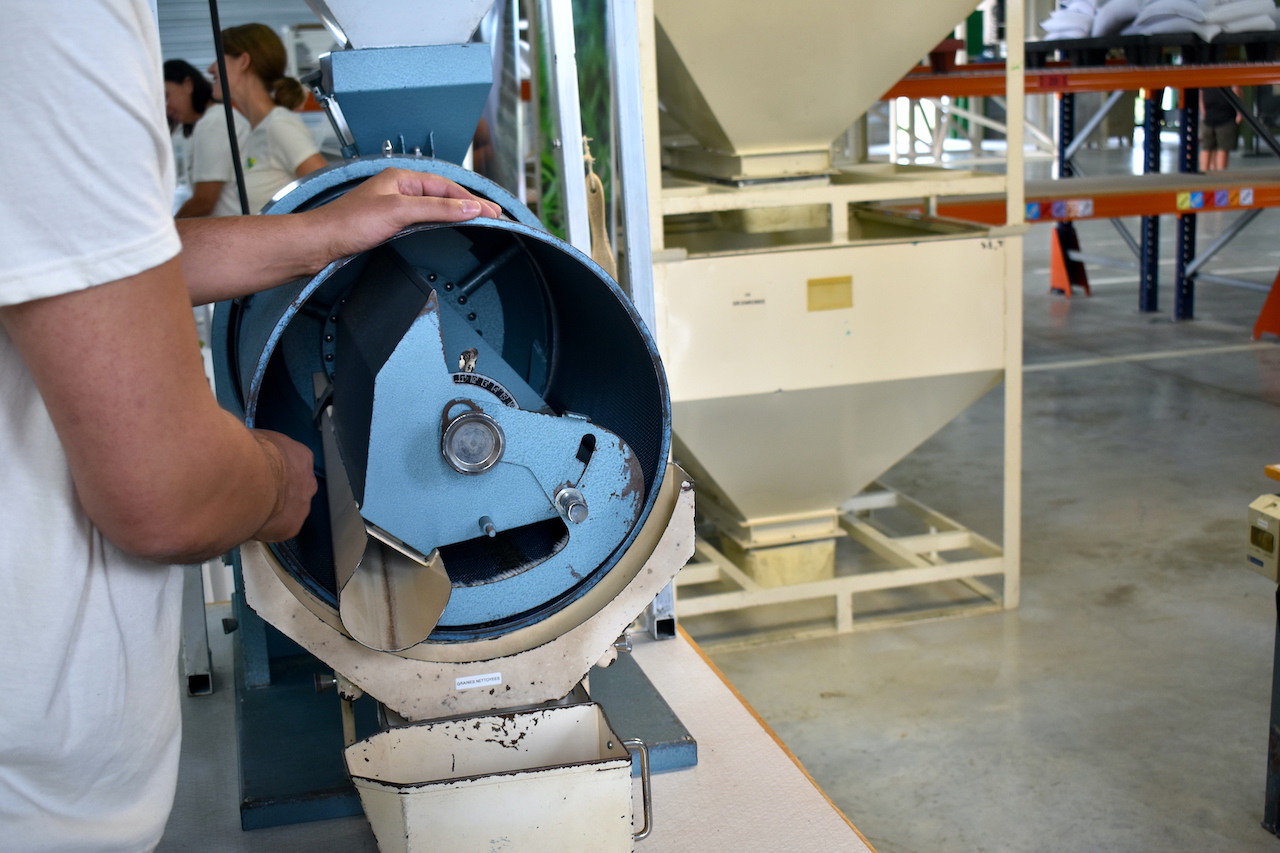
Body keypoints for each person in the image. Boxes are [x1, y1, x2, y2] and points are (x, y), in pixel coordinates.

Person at [0, 4, 501, 851]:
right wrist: (276, 481)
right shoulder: (58, 18)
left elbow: (86, 262)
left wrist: (314, 236)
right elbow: (167, 496)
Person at [209, 23, 329, 214]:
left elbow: (330, 194)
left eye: (218, 58)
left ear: (243, 61)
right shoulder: (256, 130)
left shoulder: (279, 125)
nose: (210, 68)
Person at [163, 58, 250, 218]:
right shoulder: (209, 122)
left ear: (188, 84)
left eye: (167, 95)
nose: (165, 106)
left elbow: (204, 202)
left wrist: (172, 229)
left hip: (231, 226)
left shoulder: (214, 122)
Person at [1200, 85, 1243, 172]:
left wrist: (1203, 111)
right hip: (1226, 116)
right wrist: (1240, 112)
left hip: (1209, 116)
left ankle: (1204, 172)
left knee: (1206, 148)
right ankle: (1220, 174)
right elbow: (1236, 90)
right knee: (1223, 149)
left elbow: (1201, 95)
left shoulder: (1206, 82)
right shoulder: (1229, 79)